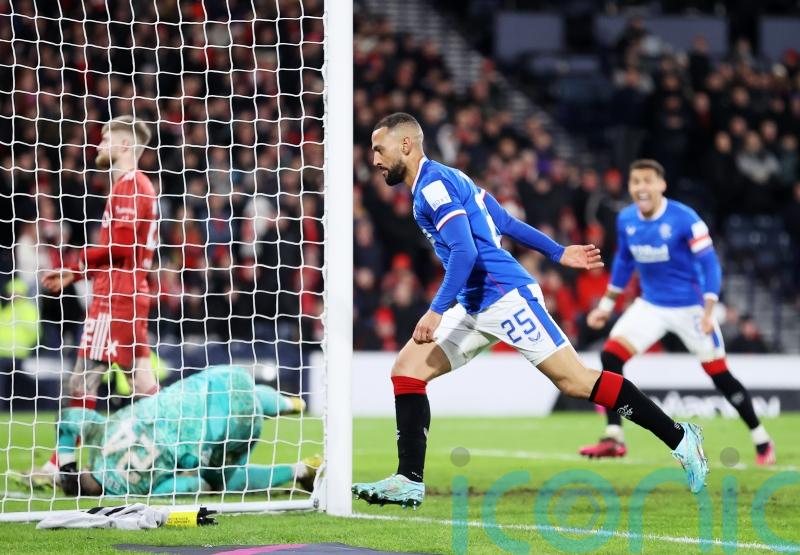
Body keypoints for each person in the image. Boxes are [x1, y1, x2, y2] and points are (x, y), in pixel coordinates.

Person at [352, 114, 708, 509]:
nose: (374, 160)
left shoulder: (432, 188)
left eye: (379, 149)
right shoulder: (449, 178)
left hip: (505, 297)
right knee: (407, 371)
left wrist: (435, 310)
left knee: (576, 381)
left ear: (406, 145)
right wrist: (557, 251)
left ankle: (680, 437)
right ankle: (409, 479)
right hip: (474, 302)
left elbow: (466, 251)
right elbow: (503, 221)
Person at [580, 159, 774, 465]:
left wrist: (710, 309)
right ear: (630, 187)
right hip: (651, 306)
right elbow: (624, 262)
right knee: (610, 356)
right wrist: (606, 306)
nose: (641, 188)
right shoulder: (626, 219)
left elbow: (710, 263)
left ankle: (761, 437)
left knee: (719, 375)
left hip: (691, 309)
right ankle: (614, 436)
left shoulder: (685, 219)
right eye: (635, 182)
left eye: (647, 181)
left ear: (661, 185)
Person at [38, 116, 160, 478]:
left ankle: (62, 461)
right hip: (130, 291)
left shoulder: (130, 186)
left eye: (106, 140)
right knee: (141, 380)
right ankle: (171, 442)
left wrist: (76, 264)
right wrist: (76, 273)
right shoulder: (133, 186)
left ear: (125, 145)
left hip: (116, 296)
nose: (99, 146)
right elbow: (119, 249)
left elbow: (119, 245)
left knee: (83, 378)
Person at [54, 365, 317, 496]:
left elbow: (182, 487)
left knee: (220, 483)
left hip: (215, 434)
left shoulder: (126, 494)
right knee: (243, 395)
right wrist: (66, 464)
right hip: (206, 386)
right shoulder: (101, 434)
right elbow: (67, 419)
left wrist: (192, 475)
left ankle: (300, 470)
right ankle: (291, 403)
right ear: (85, 470)